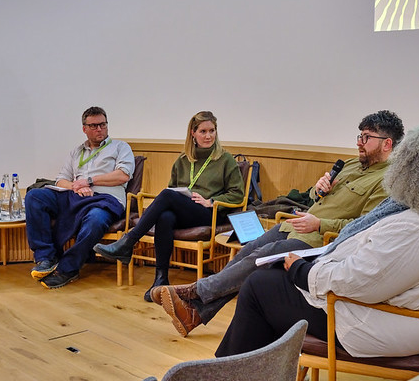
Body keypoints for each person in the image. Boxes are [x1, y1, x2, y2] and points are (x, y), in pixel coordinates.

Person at [214, 126, 419, 358]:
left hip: (376, 322)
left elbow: (362, 281)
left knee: (259, 286)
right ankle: (249, 373)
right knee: (269, 276)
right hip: (384, 310)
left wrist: (304, 271)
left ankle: (231, 376)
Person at [154, 110, 404, 336]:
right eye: (359, 136)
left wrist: (320, 224)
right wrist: (317, 190)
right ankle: (194, 314)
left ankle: (195, 291)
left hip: (319, 240)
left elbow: (363, 227)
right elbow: (313, 198)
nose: (359, 143)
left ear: (387, 144)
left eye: (366, 138)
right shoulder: (350, 165)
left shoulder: (387, 182)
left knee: (261, 258)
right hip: (294, 225)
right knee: (247, 251)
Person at [94, 110, 245, 302]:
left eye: (212, 131)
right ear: (193, 133)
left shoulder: (225, 159)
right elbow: (174, 190)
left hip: (209, 212)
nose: (208, 136)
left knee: (166, 195)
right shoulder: (183, 160)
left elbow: (237, 194)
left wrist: (211, 201)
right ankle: (161, 279)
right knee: (165, 216)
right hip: (185, 210)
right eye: (203, 131)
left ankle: (128, 242)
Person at [25, 106, 135, 289]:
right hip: (76, 195)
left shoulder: (120, 147)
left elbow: (123, 175)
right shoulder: (76, 152)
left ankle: (68, 268)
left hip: (106, 199)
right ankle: (46, 257)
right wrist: (75, 186)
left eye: (102, 124)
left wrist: (89, 181)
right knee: (35, 196)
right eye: (93, 126)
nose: (99, 129)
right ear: (84, 128)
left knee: (95, 220)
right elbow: (61, 180)